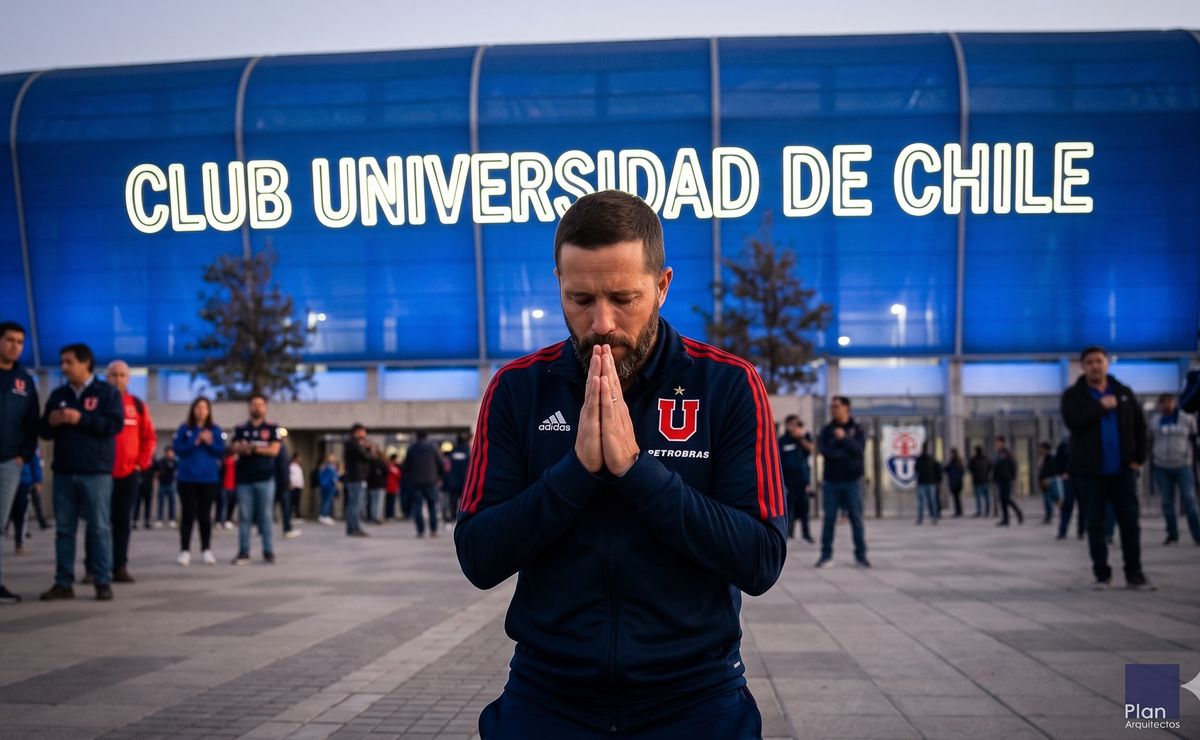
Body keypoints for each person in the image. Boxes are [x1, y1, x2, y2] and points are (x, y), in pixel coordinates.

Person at [454, 190, 784, 738]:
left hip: (696, 695)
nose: (602, 322)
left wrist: (638, 471)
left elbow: (761, 560)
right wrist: (575, 474)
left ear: (662, 286)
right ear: (557, 284)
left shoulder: (727, 384)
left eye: (624, 297)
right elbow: (479, 557)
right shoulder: (517, 389)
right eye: (580, 299)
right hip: (547, 692)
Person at [1060, 346, 1152, 590]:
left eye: (1099, 361)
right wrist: (1100, 407)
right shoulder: (1073, 395)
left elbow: (1140, 428)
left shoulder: (1123, 393)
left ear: (1107, 363)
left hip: (1122, 470)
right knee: (1095, 524)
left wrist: (1137, 459)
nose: (1095, 366)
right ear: (1083, 366)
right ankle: (1102, 575)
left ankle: (1135, 574)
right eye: (1089, 362)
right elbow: (1073, 422)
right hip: (1090, 473)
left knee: (1130, 523)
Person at [39, 343, 124, 601]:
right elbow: (43, 431)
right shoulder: (58, 394)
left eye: (69, 362)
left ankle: (102, 580)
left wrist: (81, 419)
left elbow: (114, 425)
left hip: (95, 471)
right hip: (64, 471)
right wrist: (51, 423)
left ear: (85, 363)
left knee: (99, 528)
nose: (64, 367)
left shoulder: (106, 393)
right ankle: (63, 582)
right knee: (64, 529)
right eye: (62, 362)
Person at [101, 360, 155, 584]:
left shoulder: (137, 405)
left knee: (123, 521)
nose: (118, 379)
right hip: (101, 472)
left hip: (128, 474)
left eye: (122, 375)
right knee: (99, 523)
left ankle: (119, 566)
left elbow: (149, 438)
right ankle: (94, 567)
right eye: (114, 375)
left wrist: (140, 463)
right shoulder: (98, 402)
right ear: (107, 377)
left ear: (129, 379)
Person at [0, 321, 40, 604]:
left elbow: (32, 423)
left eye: (20, 342)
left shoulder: (24, 382)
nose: (15, 346)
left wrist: (22, 456)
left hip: (9, 463)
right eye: (10, 340)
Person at [230, 394, 282, 564]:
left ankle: (268, 551)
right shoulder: (240, 428)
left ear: (265, 407)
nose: (257, 407)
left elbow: (274, 450)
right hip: (244, 479)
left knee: (266, 516)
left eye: (260, 404)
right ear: (249, 407)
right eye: (254, 404)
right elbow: (234, 448)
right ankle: (243, 551)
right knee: (244, 516)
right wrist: (247, 448)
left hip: (265, 479)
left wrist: (252, 448)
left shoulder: (272, 428)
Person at [816, 396, 869, 568]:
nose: (833, 409)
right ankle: (826, 555)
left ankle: (861, 556)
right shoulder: (826, 430)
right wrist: (846, 452)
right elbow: (826, 452)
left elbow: (859, 450)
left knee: (856, 519)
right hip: (831, 481)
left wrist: (844, 439)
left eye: (836, 406)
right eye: (831, 407)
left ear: (847, 408)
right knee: (829, 519)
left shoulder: (858, 428)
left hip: (853, 481)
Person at [172, 396, 224, 566]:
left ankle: (206, 549)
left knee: (205, 514)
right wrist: (195, 441)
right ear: (193, 410)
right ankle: (184, 550)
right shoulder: (184, 428)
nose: (201, 411)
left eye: (204, 408)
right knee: (187, 513)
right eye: (198, 407)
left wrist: (209, 441)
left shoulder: (215, 430)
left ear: (208, 411)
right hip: (187, 478)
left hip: (208, 478)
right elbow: (178, 450)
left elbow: (220, 451)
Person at [1148, 393, 1199, 545]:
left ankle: (1197, 534)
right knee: (1167, 502)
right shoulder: (1155, 421)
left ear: (1175, 403)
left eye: (1170, 402)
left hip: (1182, 465)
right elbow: (1149, 441)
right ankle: (1172, 533)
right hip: (1162, 465)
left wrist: (1193, 463)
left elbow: (1193, 442)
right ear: (1159, 405)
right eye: (1163, 403)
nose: (1167, 406)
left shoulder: (1187, 419)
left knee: (1189, 500)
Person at [778, 415, 814, 541]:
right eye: (791, 424)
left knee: (804, 508)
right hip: (787, 480)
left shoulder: (804, 437)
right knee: (788, 508)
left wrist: (800, 438)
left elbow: (810, 449)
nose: (793, 427)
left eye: (796, 424)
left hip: (802, 479)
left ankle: (806, 533)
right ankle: (787, 533)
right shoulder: (782, 441)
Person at [403, 430, 444, 538]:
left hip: (416, 482)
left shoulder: (412, 448)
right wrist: (440, 476)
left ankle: (420, 531)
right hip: (431, 481)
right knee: (432, 506)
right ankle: (433, 531)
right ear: (427, 436)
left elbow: (406, 466)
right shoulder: (433, 447)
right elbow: (441, 463)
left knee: (418, 506)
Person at [8, 450, 43, 557]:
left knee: (21, 512)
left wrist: (37, 480)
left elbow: (34, 459)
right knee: (6, 513)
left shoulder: (27, 438)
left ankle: (19, 541)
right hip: (6, 479)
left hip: (24, 481)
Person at [342, 424, 372, 537]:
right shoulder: (353, 443)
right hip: (356, 477)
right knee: (355, 504)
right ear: (358, 431)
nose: (365, 435)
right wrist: (367, 448)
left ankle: (351, 528)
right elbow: (366, 457)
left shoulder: (351, 443)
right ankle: (354, 528)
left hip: (354, 477)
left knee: (353, 504)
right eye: (363, 432)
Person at [1055, 437, 1085, 540]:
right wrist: (1062, 472)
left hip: (1082, 477)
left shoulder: (1085, 440)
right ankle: (1062, 531)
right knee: (1067, 504)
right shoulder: (1064, 443)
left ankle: (1081, 531)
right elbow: (1057, 460)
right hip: (1069, 478)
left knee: (1083, 506)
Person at [992, 437, 1023, 526]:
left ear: (1002, 443)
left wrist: (1013, 477)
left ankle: (1017, 512)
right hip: (1000, 479)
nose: (996, 444)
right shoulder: (998, 454)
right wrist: (994, 478)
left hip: (1006, 479)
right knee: (1002, 499)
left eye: (998, 443)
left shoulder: (1007, 453)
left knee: (1006, 498)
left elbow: (1013, 465)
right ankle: (1005, 519)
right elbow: (996, 467)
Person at [274, 439, 300, 539]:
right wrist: (287, 482)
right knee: (286, 508)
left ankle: (261, 528)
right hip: (282, 484)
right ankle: (287, 528)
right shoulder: (281, 448)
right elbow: (284, 467)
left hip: (275, 482)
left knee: (270, 507)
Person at [443, 433, 470, 524]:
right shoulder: (468, 452)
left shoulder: (452, 453)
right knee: (465, 501)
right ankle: (464, 516)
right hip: (465, 482)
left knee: (453, 501)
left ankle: (454, 516)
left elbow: (447, 468)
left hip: (453, 481)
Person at [914, 442, 940, 525]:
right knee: (932, 501)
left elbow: (916, 469)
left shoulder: (922, 459)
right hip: (929, 482)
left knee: (924, 501)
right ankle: (934, 517)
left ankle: (922, 518)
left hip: (924, 482)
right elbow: (937, 470)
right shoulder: (931, 459)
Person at [1036, 442, 1061, 525]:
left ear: (1045, 449)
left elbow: (1054, 469)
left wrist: (1049, 479)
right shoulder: (1042, 458)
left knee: (1049, 499)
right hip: (1043, 480)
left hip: (1049, 480)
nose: (1040, 450)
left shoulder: (1050, 457)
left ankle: (1049, 516)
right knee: (1047, 499)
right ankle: (1048, 516)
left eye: (1041, 448)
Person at [154, 447, 178, 527]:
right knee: (160, 503)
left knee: (172, 503)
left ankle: (172, 519)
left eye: (171, 452)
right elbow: (156, 471)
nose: (170, 454)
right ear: (165, 453)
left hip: (171, 484)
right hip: (162, 484)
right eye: (168, 452)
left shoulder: (175, 461)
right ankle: (159, 519)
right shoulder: (161, 461)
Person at [968, 446, 991, 518]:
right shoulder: (986, 459)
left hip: (977, 481)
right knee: (986, 497)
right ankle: (987, 511)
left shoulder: (973, 460)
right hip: (985, 480)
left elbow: (970, 469)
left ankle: (979, 511)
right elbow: (990, 468)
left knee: (978, 497)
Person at [942, 448, 965, 517]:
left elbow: (946, 469)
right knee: (957, 497)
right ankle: (959, 511)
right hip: (958, 482)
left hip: (954, 482)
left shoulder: (953, 462)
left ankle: (958, 511)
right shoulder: (959, 461)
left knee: (956, 497)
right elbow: (962, 471)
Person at [317, 455, 339, 525]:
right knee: (327, 501)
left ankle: (323, 515)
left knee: (325, 501)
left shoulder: (324, 466)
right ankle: (325, 516)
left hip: (325, 485)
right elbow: (334, 477)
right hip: (329, 486)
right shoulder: (330, 467)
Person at [218, 451, 237, 529]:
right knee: (222, 504)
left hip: (233, 486)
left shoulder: (236, 462)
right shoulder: (224, 461)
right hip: (224, 485)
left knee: (231, 504)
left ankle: (228, 520)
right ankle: (219, 520)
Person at [384, 452, 402, 520]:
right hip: (391, 486)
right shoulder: (392, 467)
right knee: (391, 502)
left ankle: (389, 515)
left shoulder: (389, 466)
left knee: (390, 502)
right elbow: (398, 475)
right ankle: (390, 515)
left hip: (391, 486)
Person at [288, 453, 304, 525]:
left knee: (297, 502)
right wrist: (290, 483)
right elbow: (289, 476)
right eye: (299, 457)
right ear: (295, 458)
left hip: (298, 486)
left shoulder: (298, 466)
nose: (300, 459)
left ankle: (297, 517)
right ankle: (290, 517)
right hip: (293, 486)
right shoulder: (291, 466)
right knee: (292, 502)